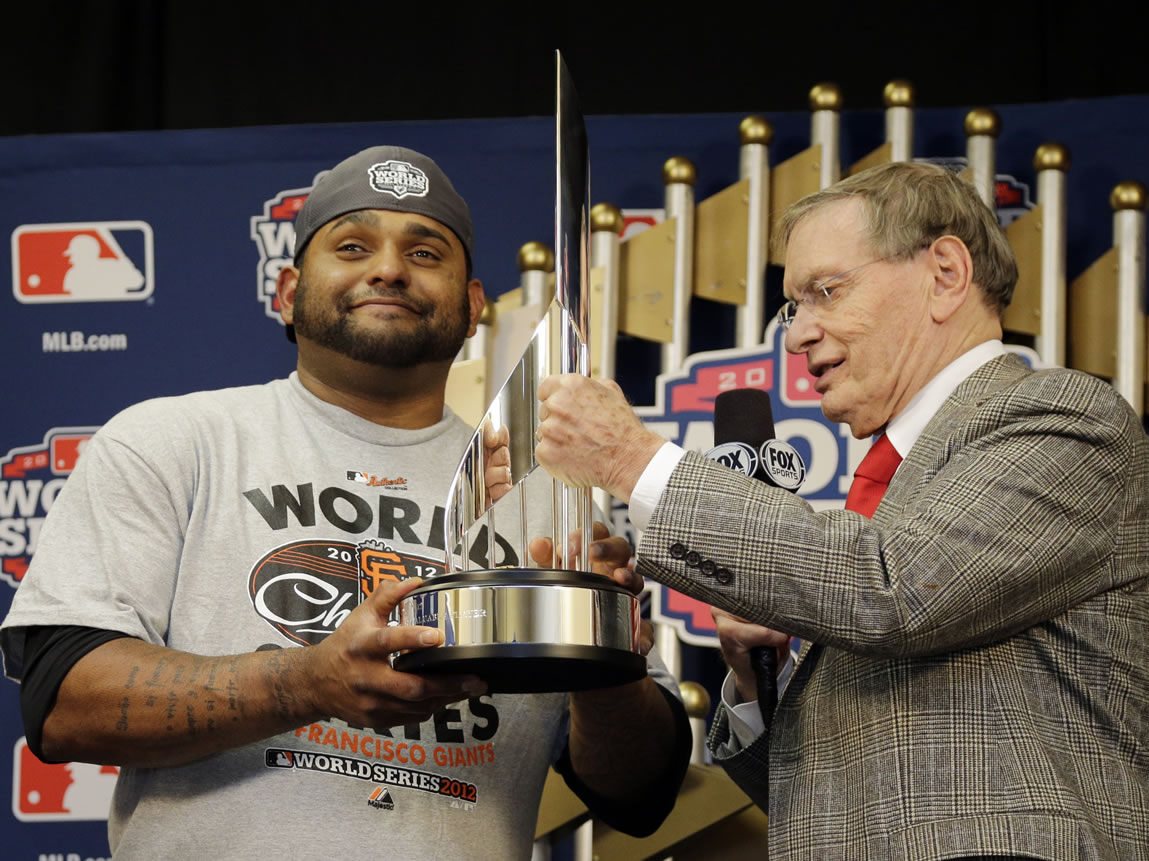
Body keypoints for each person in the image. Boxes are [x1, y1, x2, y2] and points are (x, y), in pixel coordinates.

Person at [0, 145, 690, 859]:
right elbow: (62, 702)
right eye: (353, 245)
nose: (389, 268)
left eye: (425, 252)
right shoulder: (173, 441)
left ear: (473, 307)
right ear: (289, 292)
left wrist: (607, 661)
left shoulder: (552, 499)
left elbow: (638, 796)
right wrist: (309, 681)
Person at [534, 161, 1149, 859]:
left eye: (826, 291)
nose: (795, 335)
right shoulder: (889, 493)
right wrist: (761, 680)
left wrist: (632, 459)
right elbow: (831, 797)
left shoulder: (1061, 418)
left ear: (945, 272)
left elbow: (897, 588)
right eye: (794, 305)